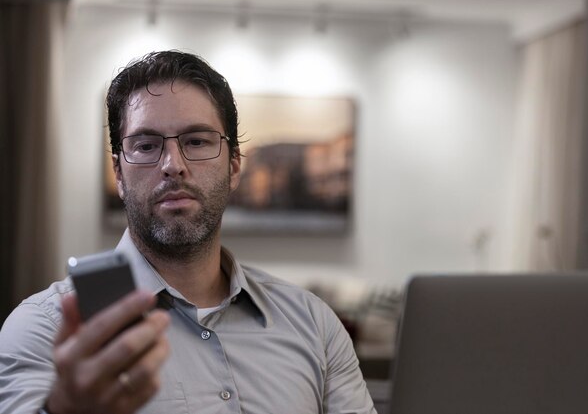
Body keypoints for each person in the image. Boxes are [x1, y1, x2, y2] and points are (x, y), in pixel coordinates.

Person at [0, 50, 376, 414]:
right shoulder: (45, 329)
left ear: (233, 167)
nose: (173, 165)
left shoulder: (313, 324)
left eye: (196, 141)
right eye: (146, 145)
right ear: (119, 173)